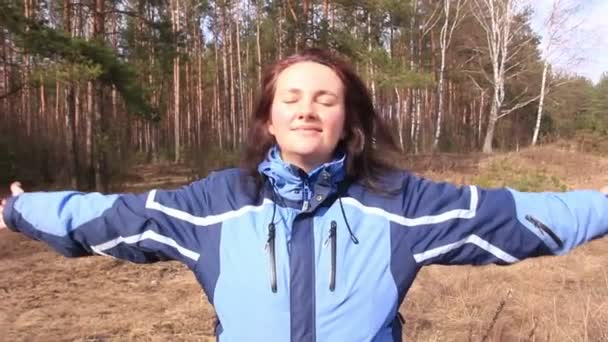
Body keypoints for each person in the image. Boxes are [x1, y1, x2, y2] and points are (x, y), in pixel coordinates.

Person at [1, 48, 608, 342]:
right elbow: (112, 218)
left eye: (325, 98)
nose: (307, 109)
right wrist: (18, 210)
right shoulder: (215, 204)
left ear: (349, 120)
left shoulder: (400, 203)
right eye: (290, 97)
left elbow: (520, 216)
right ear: (269, 119)